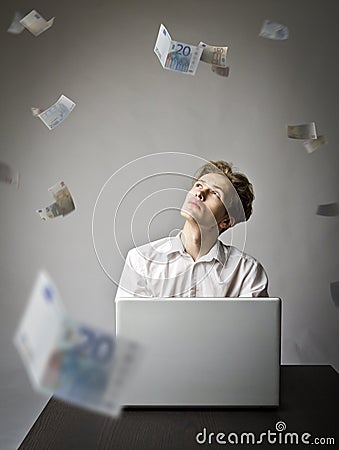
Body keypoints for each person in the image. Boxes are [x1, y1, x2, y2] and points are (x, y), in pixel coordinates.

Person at [115, 160, 269, 299]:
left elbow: (251, 330)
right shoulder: (140, 260)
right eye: (199, 185)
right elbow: (133, 328)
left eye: (215, 193)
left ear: (226, 221)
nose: (200, 193)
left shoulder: (246, 272)